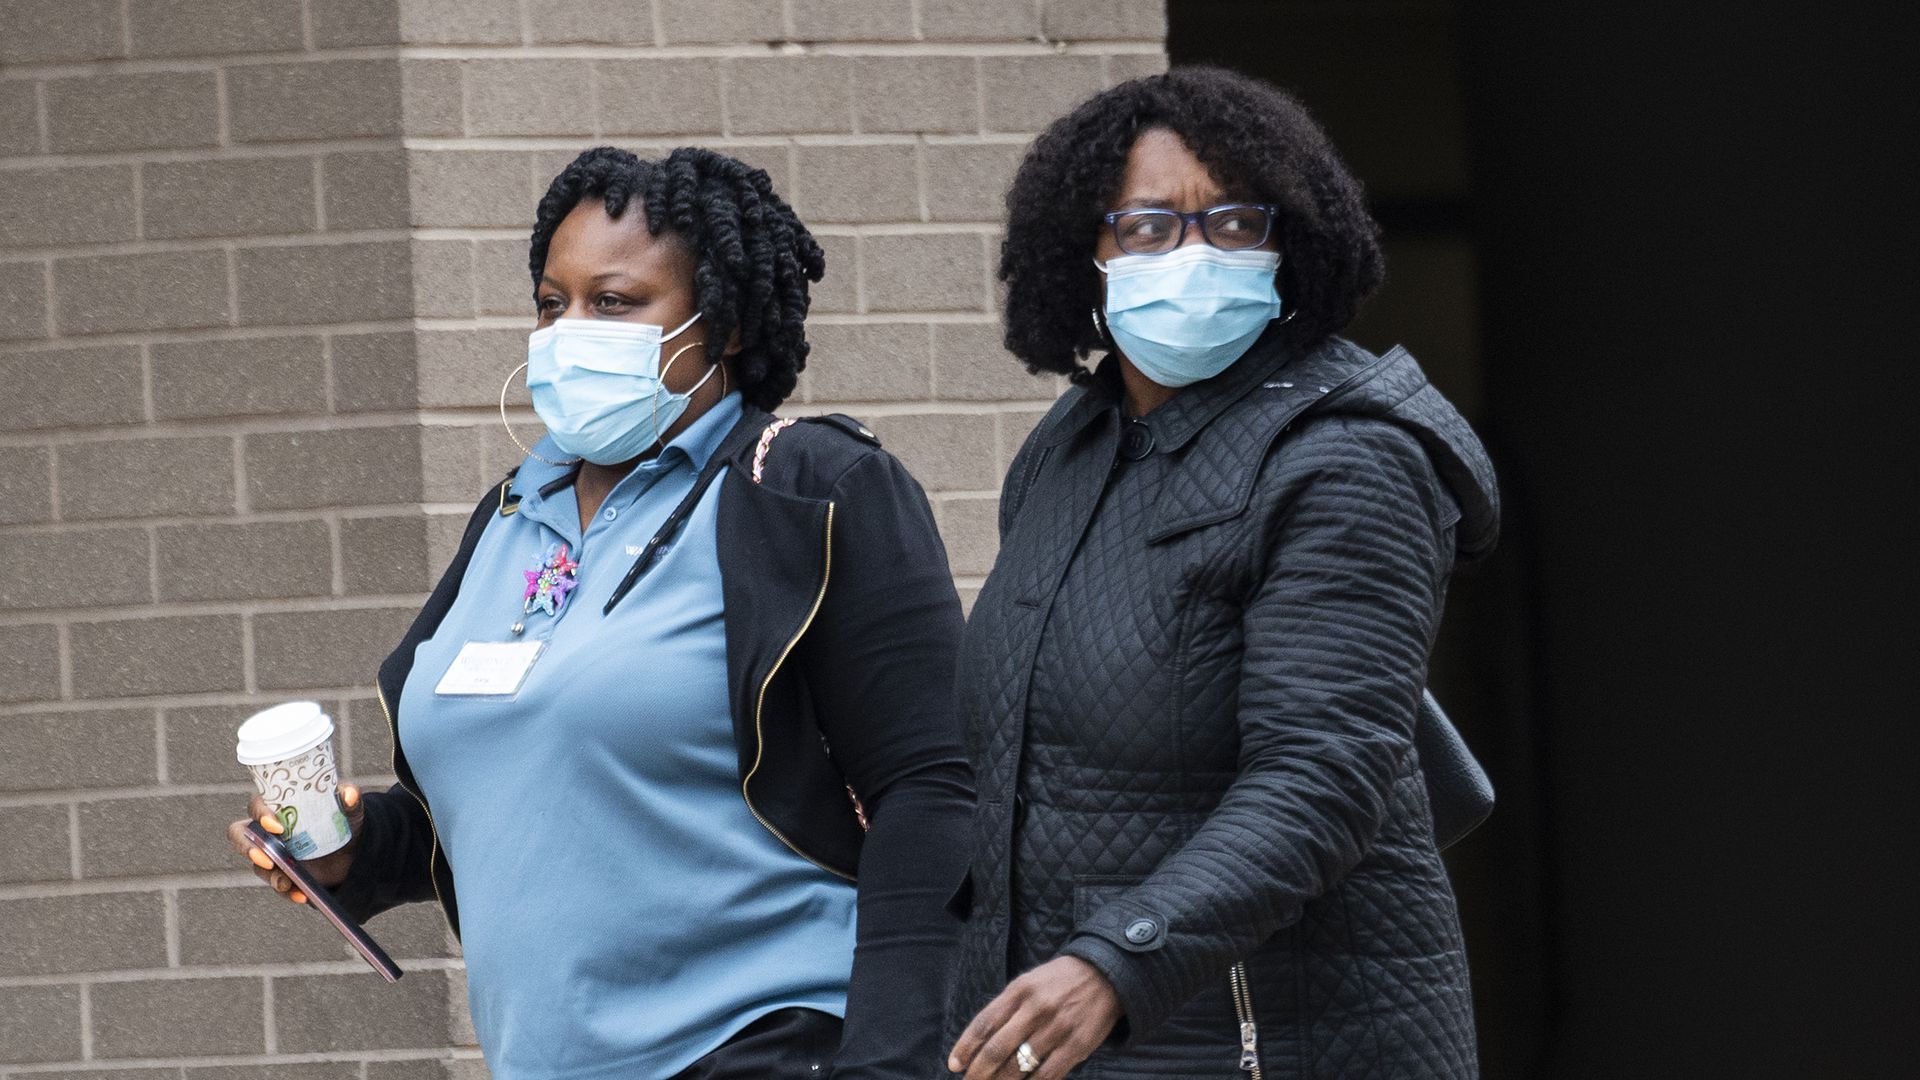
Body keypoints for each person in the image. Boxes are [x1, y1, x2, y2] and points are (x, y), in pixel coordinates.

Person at [227, 146, 974, 1079]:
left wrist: (893, 1064)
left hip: (766, 1045)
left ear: (727, 325)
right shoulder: (510, 515)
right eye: (552, 303)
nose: (568, 331)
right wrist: (348, 854)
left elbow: (934, 792)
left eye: (614, 303)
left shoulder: (811, 489)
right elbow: (510, 803)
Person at [943, 68, 1499, 1079]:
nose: (1194, 256)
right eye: (1149, 227)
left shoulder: (1349, 458)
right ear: (1089, 256)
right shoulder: (1072, 446)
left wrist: (1116, 961)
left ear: (1291, 246)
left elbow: (1322, 778)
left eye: (1234, 224)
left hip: (1272, 1042)